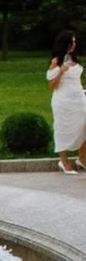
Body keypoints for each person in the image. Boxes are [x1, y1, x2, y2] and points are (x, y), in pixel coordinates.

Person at [46, 30, 86, 174]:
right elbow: (52, 86)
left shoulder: (75, 59)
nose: (74, 44)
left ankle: (83, 158)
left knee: (83, 127)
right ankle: (64, 161)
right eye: (72, 42)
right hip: (63, 101)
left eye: (75, 41)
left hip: (79, 99)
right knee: (63, 128)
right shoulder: (56, 62)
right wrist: (61, 72)